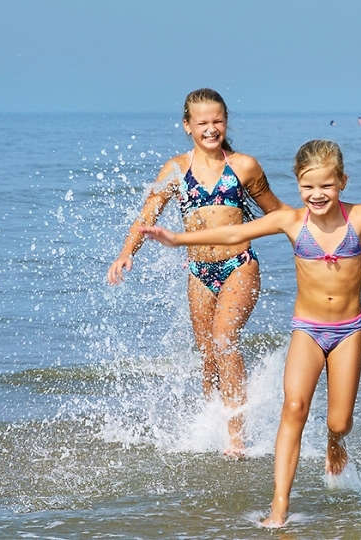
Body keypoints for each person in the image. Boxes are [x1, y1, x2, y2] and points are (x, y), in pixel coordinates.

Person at [138, 140, 361, 528]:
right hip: (307, 330)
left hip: (347, 332)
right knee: (294, 409)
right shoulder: (291, 221)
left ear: (342, 181)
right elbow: (230, 235)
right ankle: (279, 507)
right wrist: (177, 239)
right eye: (308, 187)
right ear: (298, 185)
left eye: (326, 186)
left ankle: (334, 442)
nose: (316, 195)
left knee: (339, 422)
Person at [106, 88, 287, 458]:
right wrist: (126, 254)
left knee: (224, 339)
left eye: (217, 121)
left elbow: (279, 214)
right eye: (202, 122)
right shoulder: (175, 169)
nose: (211, 128)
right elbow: (147, 217)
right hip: (199, 271)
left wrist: (316, 234)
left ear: (226, 121)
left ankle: (237, 436)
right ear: (187, 126)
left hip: (240, 265)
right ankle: (213, 425)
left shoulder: (244, 166)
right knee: (207, 355)